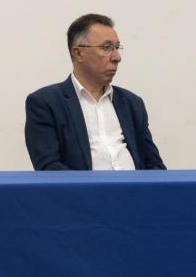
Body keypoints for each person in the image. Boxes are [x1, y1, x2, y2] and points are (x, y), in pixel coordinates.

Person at [25, 13, 165, 170]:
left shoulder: (132, 103)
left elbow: (154, 165)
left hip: (135, 193)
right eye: (107, 48)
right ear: (78, 53)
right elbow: (49, 168)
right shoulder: (45, 103)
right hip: (82, 194)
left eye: (117, 47)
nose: (117, 57)